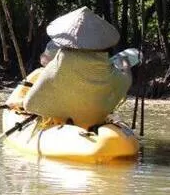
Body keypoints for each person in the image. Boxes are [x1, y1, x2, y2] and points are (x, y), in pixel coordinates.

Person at [7, 7, 137, 129]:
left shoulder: (59, 62)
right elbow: (126, 82)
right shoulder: (106, 66)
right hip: (94, 120)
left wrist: (22, 103)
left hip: (63, 120)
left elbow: (30, 104)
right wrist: (125, 65)